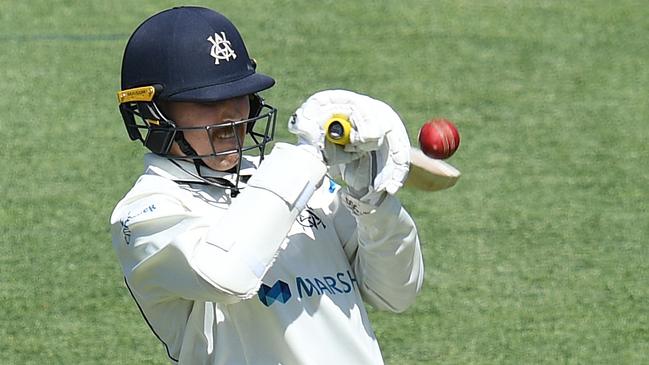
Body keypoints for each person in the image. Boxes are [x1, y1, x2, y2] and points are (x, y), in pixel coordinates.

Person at [111, 6, 423, 365]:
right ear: (153, 114)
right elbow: (225, 274)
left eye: (237, 94)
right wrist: (307, 157)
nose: (231, 115)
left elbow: (396, 293)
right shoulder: (144, 214)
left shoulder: (301, 183)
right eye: (206, 101)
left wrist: (372, 203)